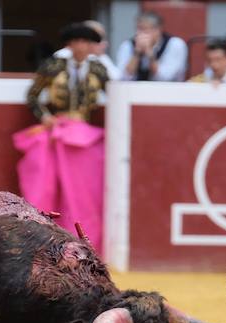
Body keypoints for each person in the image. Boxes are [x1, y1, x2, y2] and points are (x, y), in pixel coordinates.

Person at [14, 23, 109, 254]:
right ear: (70, 44)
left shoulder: (99, 69)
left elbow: (115, 95)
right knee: (45, 183)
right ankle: (43, 236)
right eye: (77, 42)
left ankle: (83, 237)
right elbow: (33, 96)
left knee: (84, 190)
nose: (81, 47)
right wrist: (44, 117)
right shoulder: (54, 66)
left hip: (83, 133)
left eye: (86, 42)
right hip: (57, 129)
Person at [116, 11, 187, 82]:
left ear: (158, 30)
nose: (139, 34)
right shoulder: (128, 45)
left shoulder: (175, 44)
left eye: (144, 29)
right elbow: (122, 78)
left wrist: (150, 53)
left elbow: (165, 78)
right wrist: (136, 53)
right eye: (138, 29)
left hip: (168, 91)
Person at [53, 19, 120, 81]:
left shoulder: (99, 58)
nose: (103, 44)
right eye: (78, 41)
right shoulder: (61, 55)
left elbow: (115, 79)